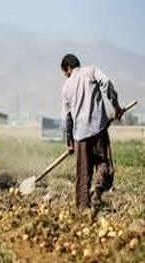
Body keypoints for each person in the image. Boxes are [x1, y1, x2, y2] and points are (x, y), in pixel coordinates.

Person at [60, 53, 123, 210]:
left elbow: (67, 118)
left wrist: (69, 142)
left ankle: (82, 209)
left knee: (83, 174)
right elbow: (106, 83)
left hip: (80, 136)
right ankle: (98, 189)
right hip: (98, 129)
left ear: (68, 68)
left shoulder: (66, 87)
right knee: (104, 164)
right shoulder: (91, 71)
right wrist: (115, 106)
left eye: (65, 73)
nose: (66, 76)